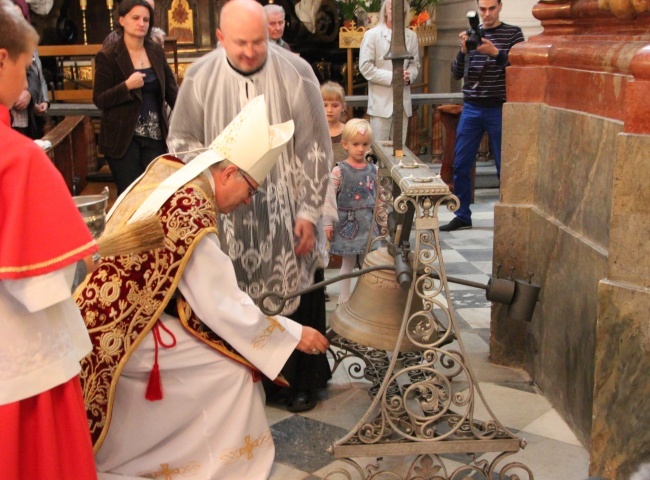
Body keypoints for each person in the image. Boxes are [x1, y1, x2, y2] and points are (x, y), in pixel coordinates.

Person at [75, 95, 330, 480]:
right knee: (233, 372)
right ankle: (218, 468)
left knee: (222, 358)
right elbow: (221, 305)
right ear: (228, 174)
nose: (248, 201)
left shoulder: (174, 170)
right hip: (123, 335)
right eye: (251, 190)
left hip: (103, 314)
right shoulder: (189, 211)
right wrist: (293, 333)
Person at [168, 0, 332, 413]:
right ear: (220, 37)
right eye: (240, 43)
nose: (249, 52)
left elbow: (314, 147)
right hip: (229, 214)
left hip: (286, 208)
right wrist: (221, 170)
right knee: (232, 292)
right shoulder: (200, 76)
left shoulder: (297, 72)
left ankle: (299, 379)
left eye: (258, 41)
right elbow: (180, 143)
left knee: (294, 284)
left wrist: (309, 211)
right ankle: (245, 381)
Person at [0, 2, 99, 478]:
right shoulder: (17, 159)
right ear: (1, 59)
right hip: (14, 353)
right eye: (24, 68)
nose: (25, 83)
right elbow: (37, 285)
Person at [439, 0, 524, 232]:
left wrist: (495, 53)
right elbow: (456, 73)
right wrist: (463, 50)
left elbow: (519, 68)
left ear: (500, 7)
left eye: (491, 8)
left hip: (498, 107)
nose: (486, 14)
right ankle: (462, 215)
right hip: (472, 107)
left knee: (504, 165)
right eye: (483, 9)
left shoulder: (513, 33)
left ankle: (509, 218)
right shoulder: (470, 35)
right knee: (461, 163)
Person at [94, 0, 177, 195]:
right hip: (123, 139)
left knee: (155, 194)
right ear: (122, 20)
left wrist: (191, 116)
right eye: (136, 18)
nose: (142, 23)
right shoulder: (108, 56)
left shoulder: (155, 51)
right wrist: (126, 86)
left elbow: (172, 91)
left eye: (146, 19)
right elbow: (99, 99)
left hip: (154, 136)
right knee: (131, 196)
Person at [324, 119, 377, 304]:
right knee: (347, 262)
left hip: (368, 222)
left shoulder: (373, 170)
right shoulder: (339, 171)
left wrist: (383, 221)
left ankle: (365, 297)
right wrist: (328, 222)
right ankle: (344, 296)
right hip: (348, 222)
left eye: (365, 144)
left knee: (367, 262)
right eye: (355, 144)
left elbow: (380, 197)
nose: (360, 149)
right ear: (345, 144)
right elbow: (329, 197)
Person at [359, 0, 419, 142]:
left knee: (400, 153)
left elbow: (414, 64)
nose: (395, 11)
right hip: (381, 105)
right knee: (379, 152)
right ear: (385, 10)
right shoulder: (372, 35)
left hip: (402, 105)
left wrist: (408, 76)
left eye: (400, 8)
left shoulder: (411, 36)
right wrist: (393, 77)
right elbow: (365, 67)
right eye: (392, 8)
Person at [321, 80, 348, 164]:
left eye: (335, 105)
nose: (329, 110)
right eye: (325, 105)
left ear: (343, 107)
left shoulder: (349, 131)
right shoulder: (315, 132)